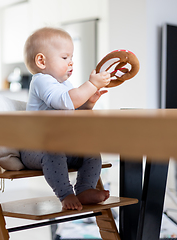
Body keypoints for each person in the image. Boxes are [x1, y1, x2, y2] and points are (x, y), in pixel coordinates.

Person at [20, 27, 111, 210]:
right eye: (64, 57)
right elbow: (65, 102)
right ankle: (65, 193)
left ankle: (85, 189)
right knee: (53, 150)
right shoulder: (41, 80)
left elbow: (73, 108)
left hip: (61, 146)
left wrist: (88, 104)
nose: (71, 63)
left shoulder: (63, 84)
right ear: (41, 61)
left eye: (71, 58)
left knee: (92, 152)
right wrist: (92, 84)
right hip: (35, 148)